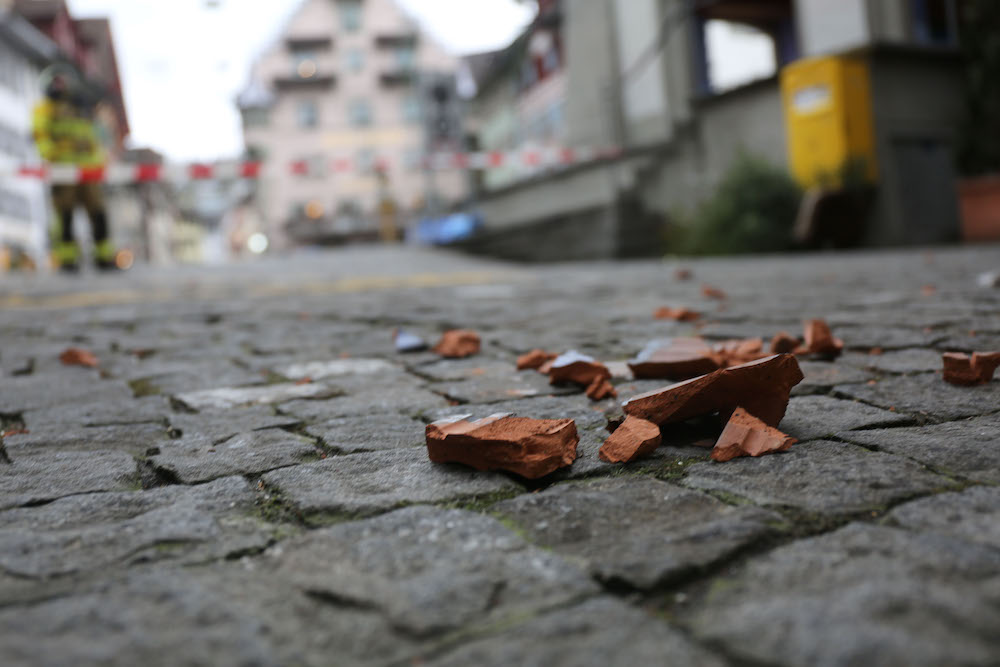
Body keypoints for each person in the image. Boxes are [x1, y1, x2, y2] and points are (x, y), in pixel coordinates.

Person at [32, 69, 117, 271]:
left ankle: (103, 256)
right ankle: (68, 258)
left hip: (88, 170)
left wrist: (100, 163)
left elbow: (95, 138)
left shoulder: (82, 108)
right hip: (63, 170)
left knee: (98, 212)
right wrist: (51, 156)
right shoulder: (45, 109)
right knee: (65, 214)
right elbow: (41, 135)